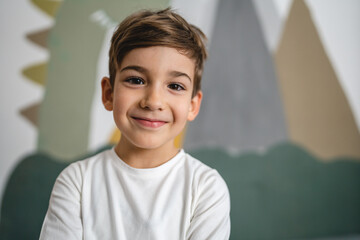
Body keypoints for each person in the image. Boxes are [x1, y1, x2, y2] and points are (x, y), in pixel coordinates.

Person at [39, 8, 230, 240]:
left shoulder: (206, 189)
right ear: (109, 94)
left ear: (192, 105)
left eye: (175, 86)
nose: (153, 102)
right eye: (136, 80)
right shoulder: (77, 183)